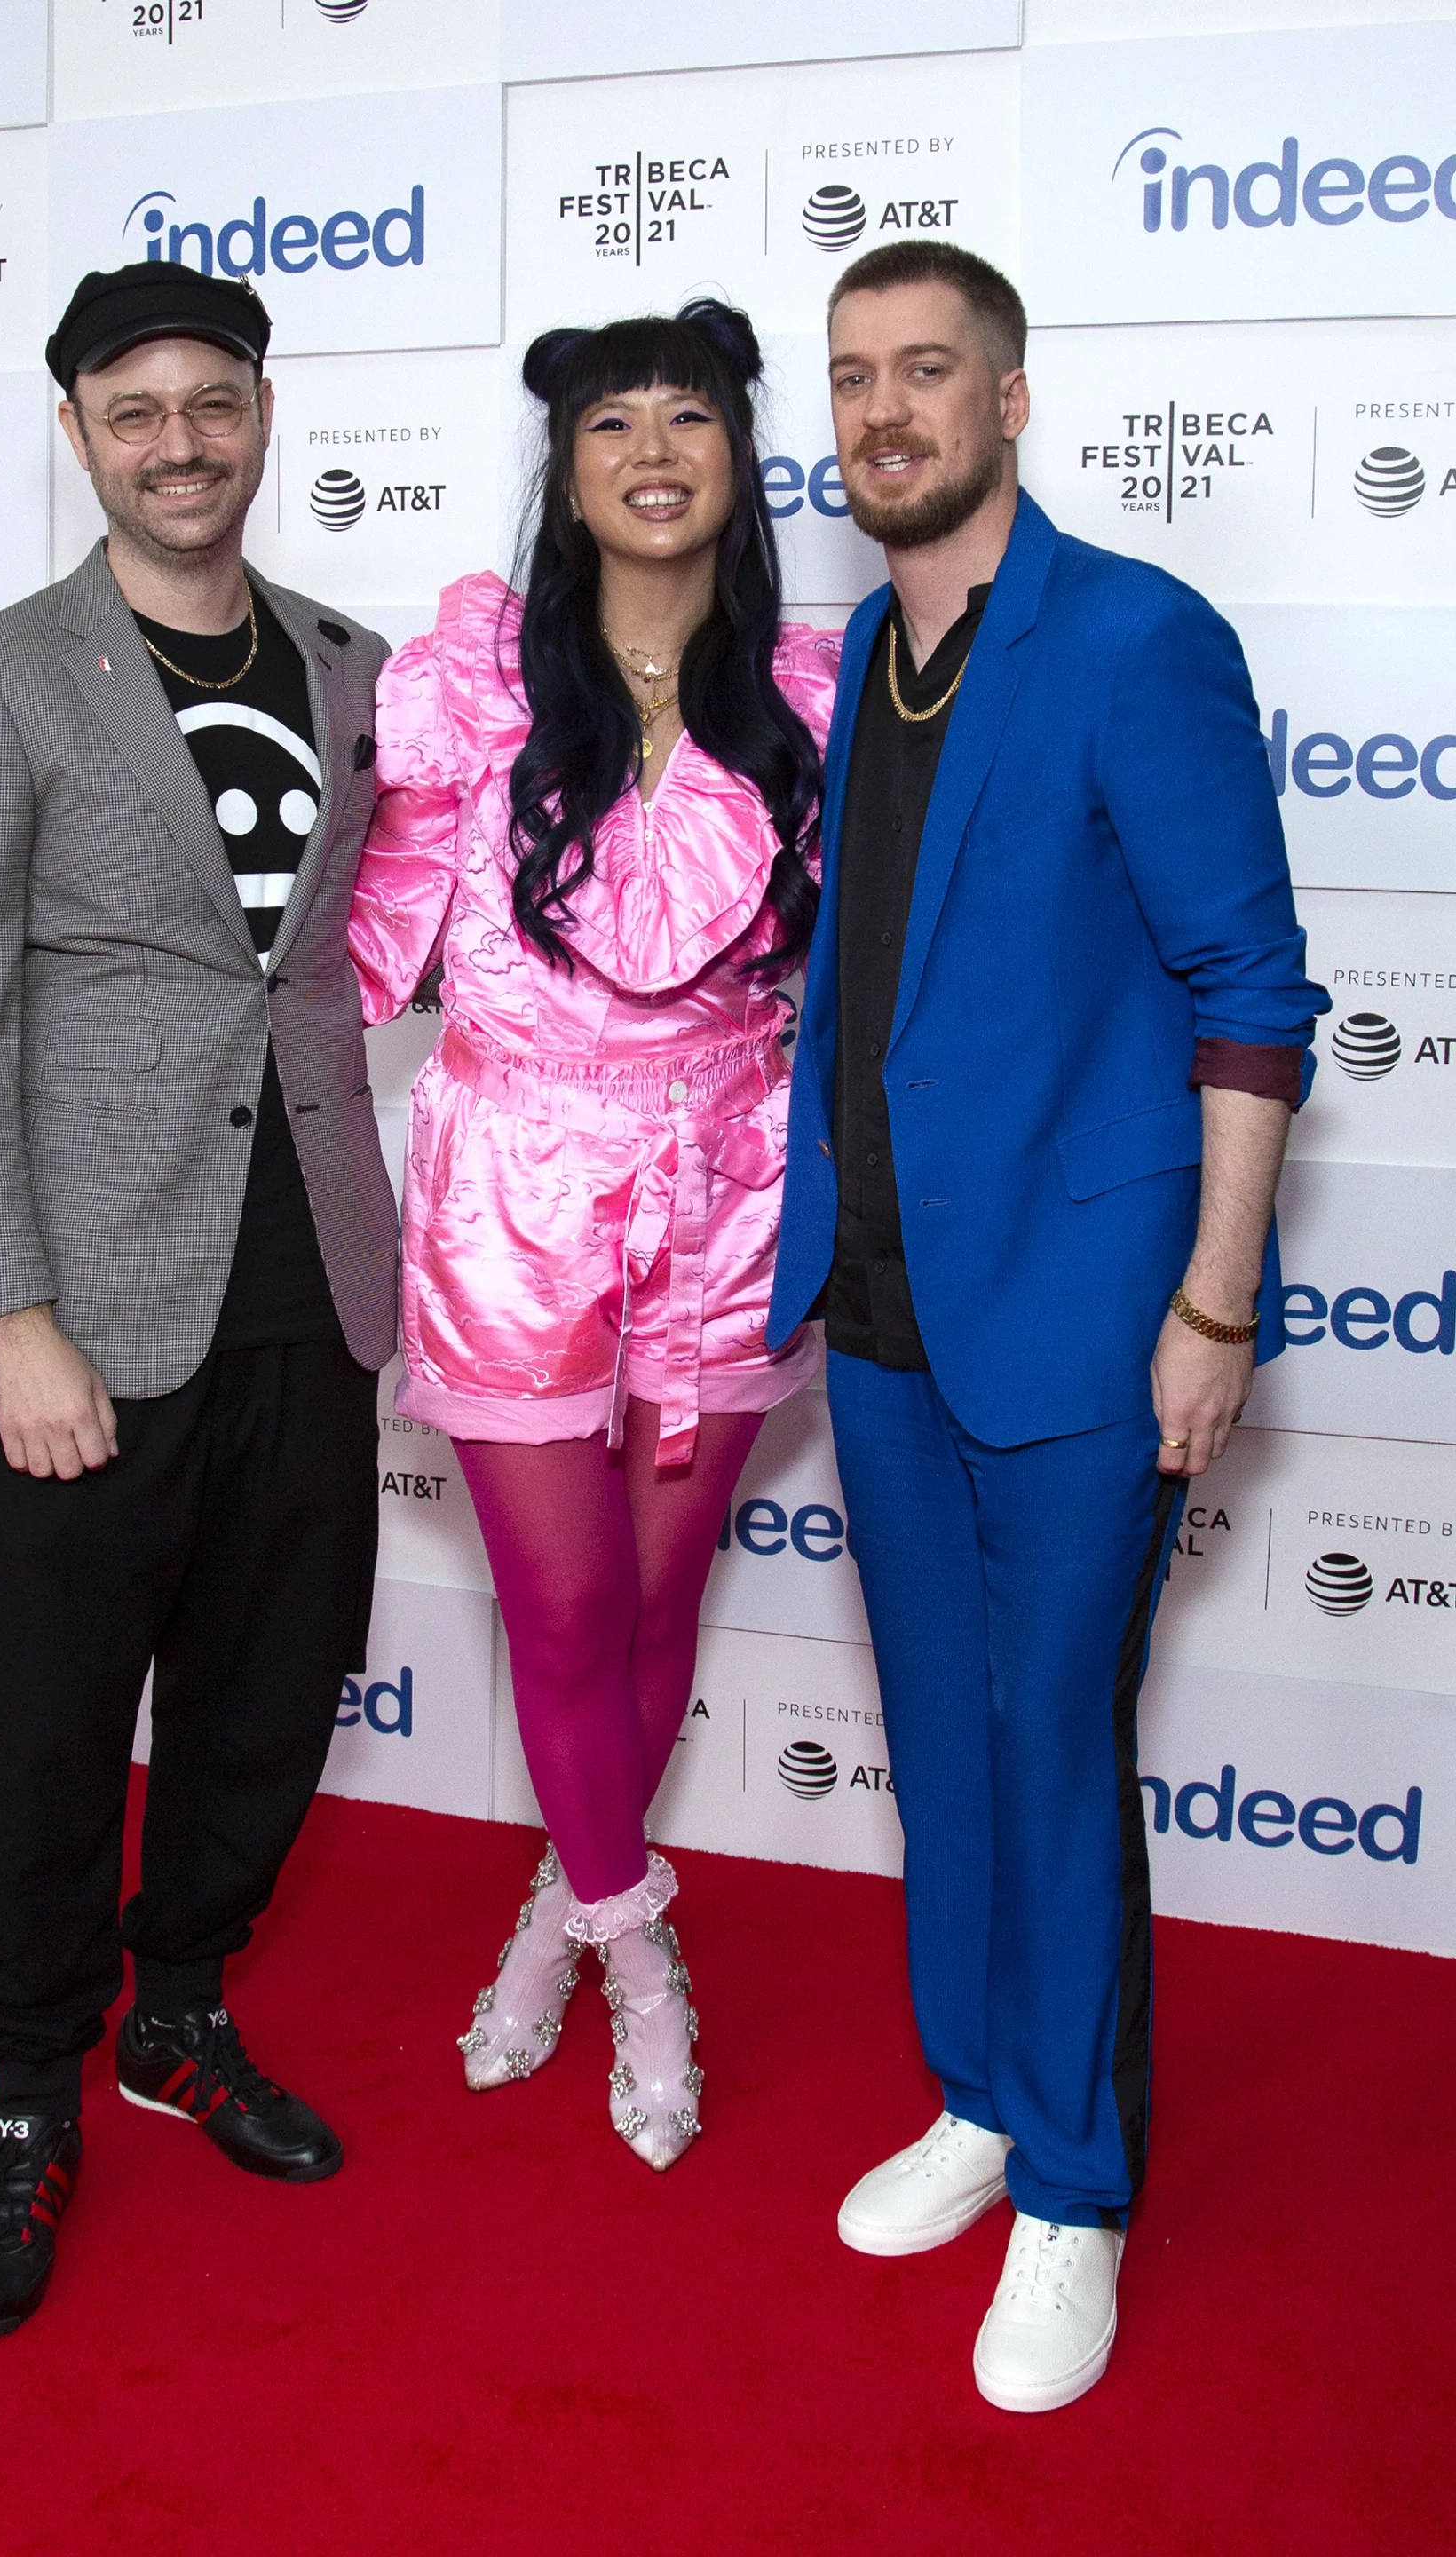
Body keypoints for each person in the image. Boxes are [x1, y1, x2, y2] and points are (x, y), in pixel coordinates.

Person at [768, 241, 1327, 2410]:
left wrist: (1212, 1301)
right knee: (943, 1743)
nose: (884, 410)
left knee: (1051, 1750)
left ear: (1010, 398)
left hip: (1091, 1323)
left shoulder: (1130, 638)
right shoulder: (860, 666)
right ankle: (988, 2095)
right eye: (853, 381)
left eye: (927, 372)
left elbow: (1252, 999)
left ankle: (1079, 2190)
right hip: (889, 1317)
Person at [0, 261, 398, 2338]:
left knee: (271, 1686)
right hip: (86, 1299)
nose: (181, 440)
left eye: (215, 401)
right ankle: (27, 2091)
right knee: (41, 1719)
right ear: (80, 430)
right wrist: (9, 1313)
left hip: (314, 1277)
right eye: (135, 409)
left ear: (263, 412)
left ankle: (177, 2013)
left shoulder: (356, 662)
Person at [349, 301, 840, 2169]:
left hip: (731, 1195)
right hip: (512, 1207)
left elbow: (877, 955)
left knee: (656, 1600)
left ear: (736, 458)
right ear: (565, 470)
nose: (653, 449)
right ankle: (637, 1951)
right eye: (615, 421)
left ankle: (572, 1898)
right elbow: (360, 947)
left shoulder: (807, 697)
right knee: (559, 1605)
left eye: (691, 417)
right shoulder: (468, 686)